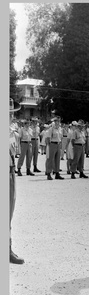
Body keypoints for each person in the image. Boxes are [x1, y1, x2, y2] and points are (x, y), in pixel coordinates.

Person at [9, 99, 24, 264]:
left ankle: (8, 248)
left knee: (8, 213)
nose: (10, 116)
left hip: (11, 173)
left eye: (12, 114)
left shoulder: (12, 132)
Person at [45, 116, 64, 180]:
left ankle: (57, 173)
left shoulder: (60, 129)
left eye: (58, 121)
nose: (57, 122)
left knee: (57, 159)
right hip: (52, 144)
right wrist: (49, 146)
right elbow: (48, 138)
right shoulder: (51, 129)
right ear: (54, 122)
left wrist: (60, 144)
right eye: (56, 121)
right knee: (50, 159)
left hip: (58, 144)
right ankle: (48, 173)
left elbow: (61, 137)